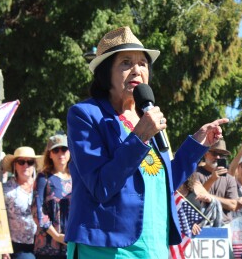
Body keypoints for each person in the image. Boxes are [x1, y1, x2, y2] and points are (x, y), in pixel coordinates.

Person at [64, 26, 228, 259]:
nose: (137, 70)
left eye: (143, 63)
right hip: (108, 248)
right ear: (105, 72)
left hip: (155, 245)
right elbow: (101, 186)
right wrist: (140, 136)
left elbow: (165, 183)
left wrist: (196, 144)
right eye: (126, 63)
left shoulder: (149, 118)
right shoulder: (85, 115)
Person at [33, 134, 72, 259]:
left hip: (72, 244)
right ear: (50, 154)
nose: (60, 153)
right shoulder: (43, 177)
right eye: (56, 150)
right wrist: (57, 236)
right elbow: (37, 210)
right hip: (48, 248)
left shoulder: (77, 177)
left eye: (64, 149)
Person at [2, 147, 40, 259]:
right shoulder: (5, 190)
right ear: (15, 165)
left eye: (30, 162)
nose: (25, 166)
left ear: (34, 165)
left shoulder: (43, 185)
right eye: (21, 162)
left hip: (44, 245)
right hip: (19, 247)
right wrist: (3, 249)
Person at [194, 139, 239, 225]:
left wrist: (210, 198)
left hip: (223, 226)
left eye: (221, 155)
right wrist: (212, 179)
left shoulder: (229, 178)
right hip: (200, 226)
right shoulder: (195, 175)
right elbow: (195, 198)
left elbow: (233, 205)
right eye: (214, 153)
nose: (218, 157)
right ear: (206, 154)